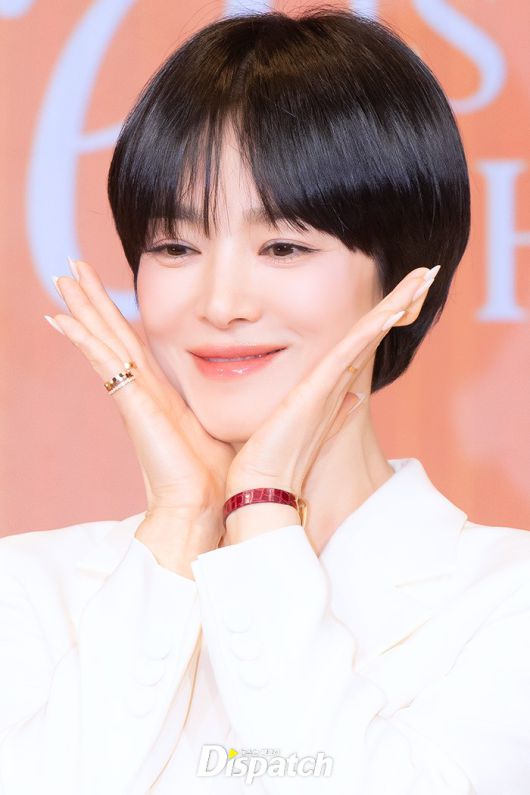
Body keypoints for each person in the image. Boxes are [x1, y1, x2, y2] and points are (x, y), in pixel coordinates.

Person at [1, 7, 529, 794]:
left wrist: (263, 510)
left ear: (408, 283)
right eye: (176, 246)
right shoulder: (31, 590)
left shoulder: (504, 604)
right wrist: (183, 520)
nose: (221, 303)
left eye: (283, 246)